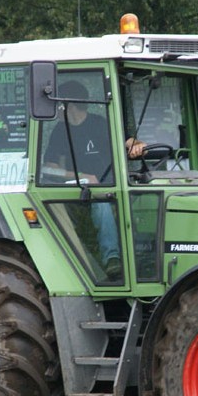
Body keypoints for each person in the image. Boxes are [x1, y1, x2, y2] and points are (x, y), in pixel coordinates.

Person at [43, 80, 145, 278]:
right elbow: (49, 168)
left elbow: (129, 142)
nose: (56, 109)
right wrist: (81, 177)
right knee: (97, 203)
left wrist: (139, 146)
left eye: (58, 104)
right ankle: (99, 259)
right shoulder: (59, 131)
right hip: (74, 191)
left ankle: (118, 259)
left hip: (108, 189)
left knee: (102, 201)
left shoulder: (100, 124)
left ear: (68, 106)